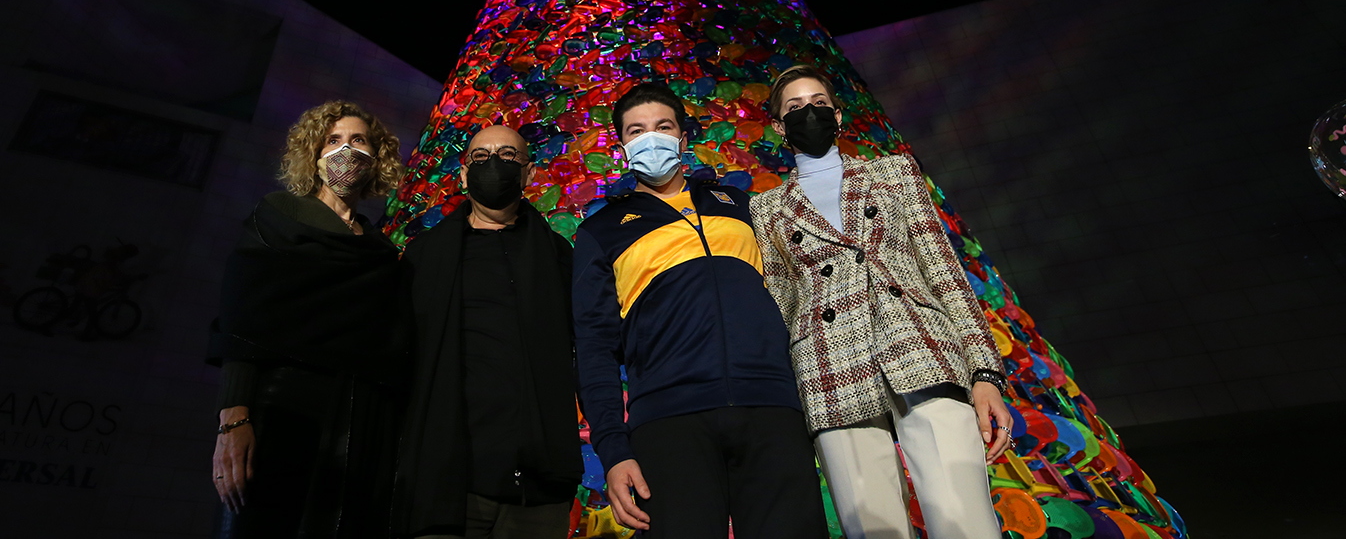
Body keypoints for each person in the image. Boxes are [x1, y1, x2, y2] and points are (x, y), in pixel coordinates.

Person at [750, 65, 1013, 539]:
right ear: (776, 126)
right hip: (829, 370)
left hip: (920, 347)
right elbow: (782, 305)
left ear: (837, 113)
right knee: (873, 529)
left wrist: (985, 373)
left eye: (818, 103)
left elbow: (943, 272)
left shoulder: (893, 172)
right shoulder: (766, 208)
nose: (808, 112)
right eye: (793, 107)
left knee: (966, 521)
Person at [572, 82, 827, 538]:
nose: (651, 138)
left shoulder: (743, 206)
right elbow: (594, 348)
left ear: (683, 139)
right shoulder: (601, 231)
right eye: (637, 131)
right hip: (668, 422)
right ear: (623, 146)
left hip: (771, 408)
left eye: (663, 126)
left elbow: (798, 293)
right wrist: (613, 449)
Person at [208, 100, 408, 538]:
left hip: (355, 419)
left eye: (358, 140)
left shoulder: (379, 250)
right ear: (313, 154)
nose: (346, 151)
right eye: (333, 140)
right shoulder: (278, 216)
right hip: (281, 408)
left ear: (378, 157)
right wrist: (234, 419)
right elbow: (242, 322)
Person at [393, 124, 581, 539]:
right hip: (448, 481)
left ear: (529, 174)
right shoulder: (423, 258)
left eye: (508, 156)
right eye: (480, 157)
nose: (493, 164)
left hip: (538, 487)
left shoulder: (559, 258)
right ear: (463, 174)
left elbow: (588, 353)